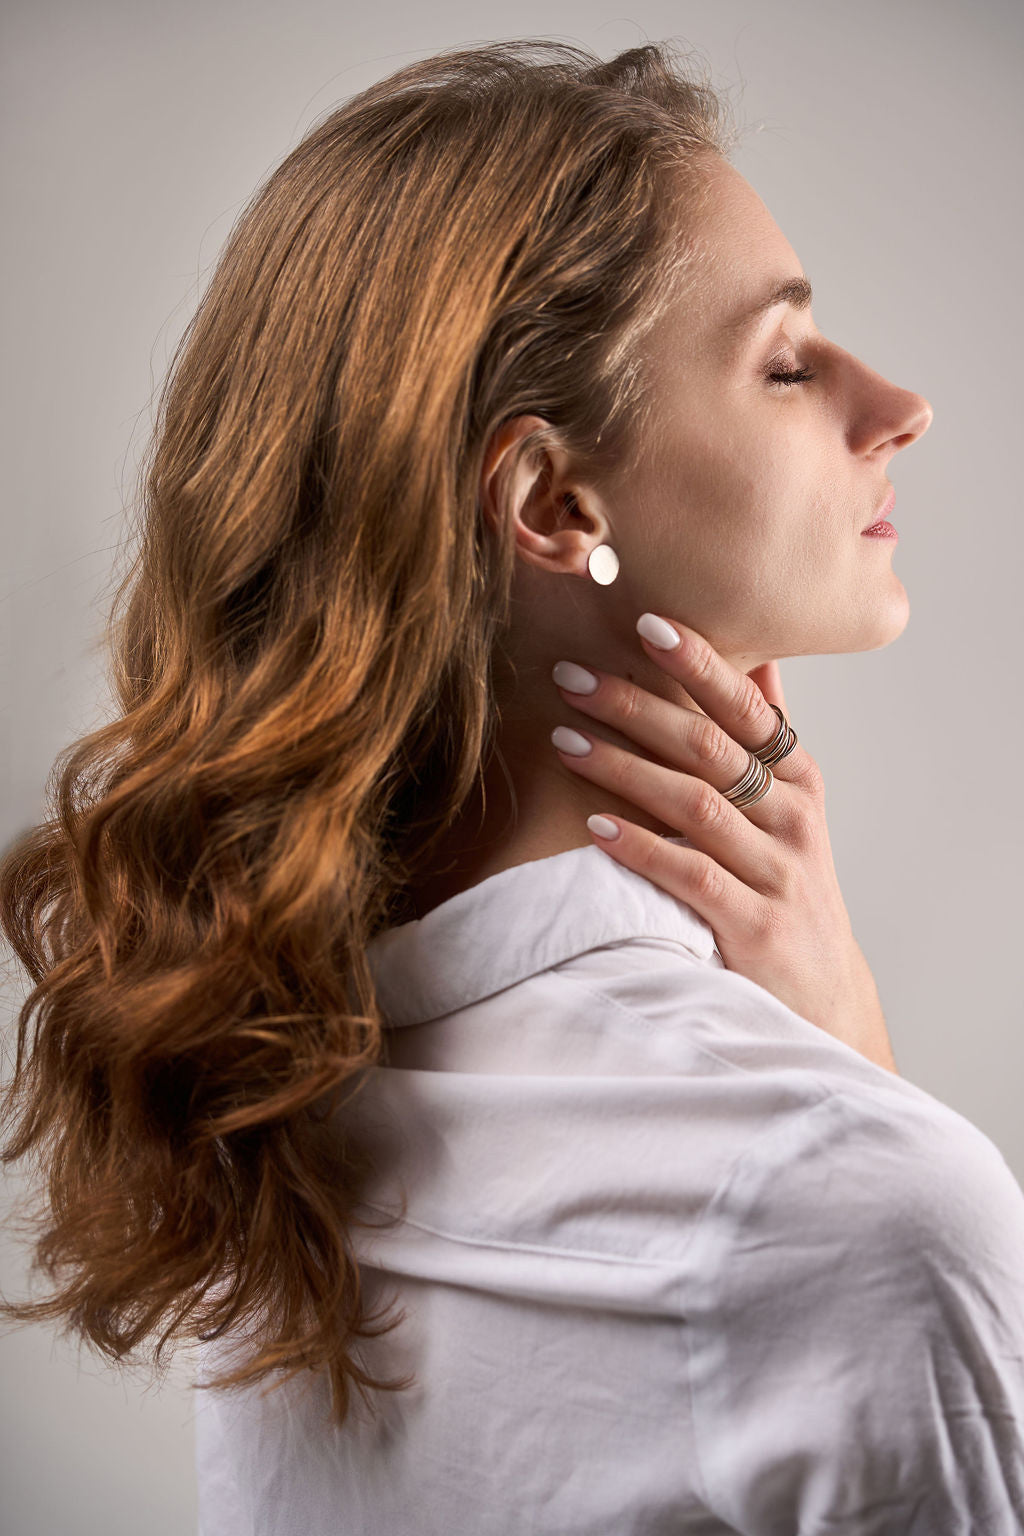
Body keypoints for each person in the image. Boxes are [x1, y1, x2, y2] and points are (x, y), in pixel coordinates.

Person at [2, 35, 1023, 1536]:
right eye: (789, 363)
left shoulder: (261, 1091)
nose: (900, 405)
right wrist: (854, 1087)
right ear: (554, 502)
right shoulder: (868, 1204)